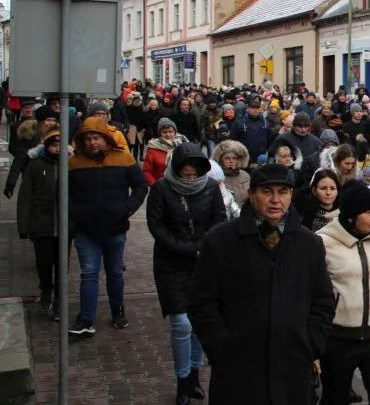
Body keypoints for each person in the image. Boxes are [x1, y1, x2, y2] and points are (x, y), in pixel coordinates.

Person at [187, 164, 334, 405]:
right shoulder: (220, 241)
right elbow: (201, 302)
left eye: (283, 192)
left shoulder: (310, 244)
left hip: (292, 369)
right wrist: (221, 347)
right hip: (239, 371)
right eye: (267, 192)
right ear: (252, 194)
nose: (276, 200)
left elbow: (323, 301)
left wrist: (310, 345)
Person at [146, 143, 226, 404]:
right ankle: (182, 380)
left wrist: (205, 246)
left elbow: (219, 219)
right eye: (185, 174)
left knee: (198, 324)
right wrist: (187, 248)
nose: (190, 179)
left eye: (194, 174)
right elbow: (156, 226)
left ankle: (194, 375)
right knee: (181, 323)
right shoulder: (161, 189)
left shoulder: (211, 188)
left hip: (203, 264)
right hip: (172, 264)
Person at [316, 180, 370, 405]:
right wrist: (314, 345)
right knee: (335, 399)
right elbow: (311, 296)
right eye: (368, 212)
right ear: (350, 217)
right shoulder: (322, 243)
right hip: (338, 340)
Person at [67, 117, 149, 338]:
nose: (93, 143)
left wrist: (127, 208)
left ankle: (117, 312)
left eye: (96, 138)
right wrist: (75, 214)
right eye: (88, 139)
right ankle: (85, 319)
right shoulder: (74, 162)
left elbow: (141, 186)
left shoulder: (123, 158)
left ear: (106, 139)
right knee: (89, 274)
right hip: (86, 230)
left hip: (116, 227)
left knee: (114, 273)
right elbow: (64, 194)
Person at [16, 129, 63, 319]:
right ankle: (45, 290)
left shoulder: (69, 165)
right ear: (47, 147)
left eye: (60, 145)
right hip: (41, 224)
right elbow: (25, 196)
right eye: (53, 145)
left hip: (63, 226)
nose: (57, 148)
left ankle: (60, 299)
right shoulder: (35, 166)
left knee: (62, 264)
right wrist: (24, 226)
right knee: (44, 263)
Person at [233, 96, 275, 167]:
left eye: (257, 108)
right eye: (253, 108)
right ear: (248, 108)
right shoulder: (239, 122)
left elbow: (270, 140)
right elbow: (233, 140)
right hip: (245, 158)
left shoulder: (265, 123)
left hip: (261, 158)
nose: (255, 110)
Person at [211, 140, 251, 206]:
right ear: (220, 159)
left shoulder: (245, 175)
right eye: (227, 158)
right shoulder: (216, 177)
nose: (231, 161)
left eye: (234, 158)